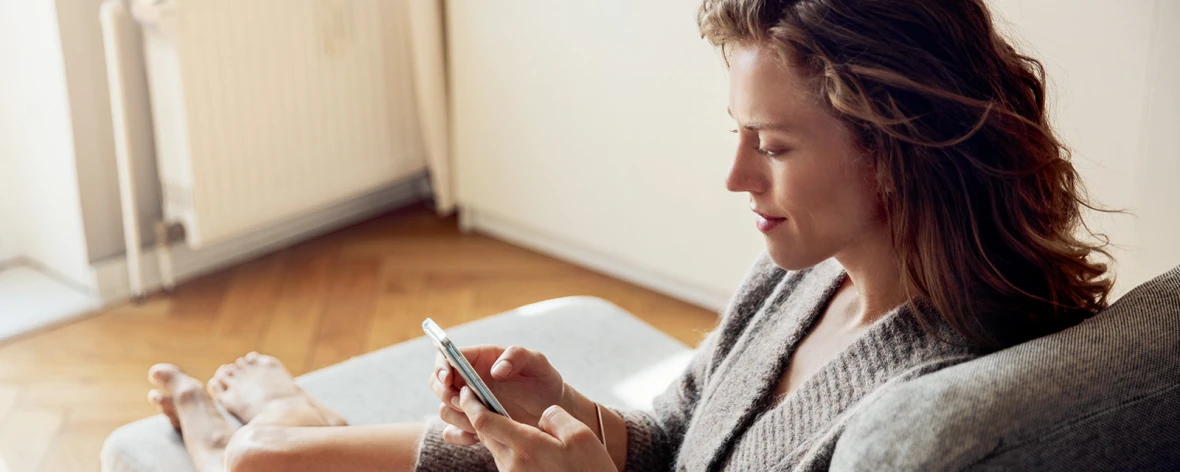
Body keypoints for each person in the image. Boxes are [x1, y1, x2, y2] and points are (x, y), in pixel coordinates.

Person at [144, 0, 1114, 470]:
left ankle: (284, 419)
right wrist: (563, 404)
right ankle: (285, 424)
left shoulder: (922, 416)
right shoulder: (803, 275)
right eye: (737, 135)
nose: (735, 178)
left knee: (254, 461)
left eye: (772, 145)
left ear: (895, 152)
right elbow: (673, 439)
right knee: (264, 461)